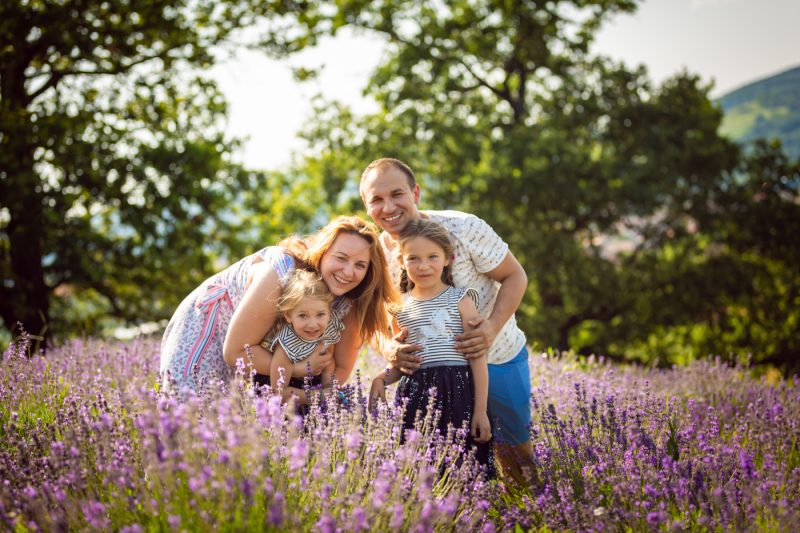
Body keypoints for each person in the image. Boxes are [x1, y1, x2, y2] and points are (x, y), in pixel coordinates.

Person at [360, 157, 534, 484]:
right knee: (440, 468)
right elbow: (368, 320)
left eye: (397, 194)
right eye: (376, 200)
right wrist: (389, 350)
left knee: (515, 458)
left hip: (496, 359)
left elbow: (515, 276)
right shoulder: (374, 256)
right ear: (367, 207)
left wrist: (491, 328)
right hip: (431, 378)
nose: (388, 206)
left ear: (416, 192)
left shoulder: (464, 228)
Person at [159, 215, 399, 400]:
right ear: (323, 253)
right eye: (341, 258)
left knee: (232, 440)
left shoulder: (350, 296)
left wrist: (311, 398)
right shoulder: (283, 272)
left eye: (360, 265)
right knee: (189, 418)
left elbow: (342, 366)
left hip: (260, 355)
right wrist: (297, 370)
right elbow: (236, 353)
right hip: (206, 330)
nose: (348, 272)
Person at [369, 220, 493, 474]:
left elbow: (477, 359)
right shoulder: (399, 308)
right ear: (401, 261)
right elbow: (404, 364)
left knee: (462, 470)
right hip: (415, 396)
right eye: (413, 258)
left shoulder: (461, 300)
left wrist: (480, 411)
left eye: (432, 257)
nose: (423, 266)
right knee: (418, 471)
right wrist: (381, 378)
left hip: (459, 393)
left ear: (448, 258)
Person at [266, 269, 343, 399]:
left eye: (320, 314)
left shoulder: (328, 326)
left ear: (329, 313)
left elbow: (328, 359)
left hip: (313, 386)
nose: (313, 324)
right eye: (303, 316)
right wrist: (319, 396)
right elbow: (278, 391)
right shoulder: (286, 343)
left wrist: (329, 389)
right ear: (288, 316)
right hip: (287, 394)